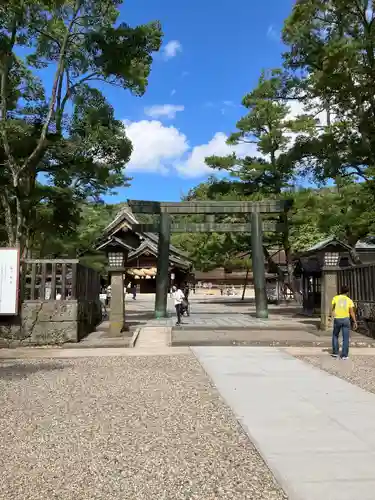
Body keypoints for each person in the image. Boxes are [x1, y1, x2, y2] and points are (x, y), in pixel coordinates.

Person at [331, 285, 357, 359]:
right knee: (345, 337)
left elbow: (333, 309)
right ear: (347, 292)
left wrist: (331, 318)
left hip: (337, 319)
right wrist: (355, 321)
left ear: (340, 291)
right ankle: (344, 355)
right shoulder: (349, 300)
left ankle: (335, 352)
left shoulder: (335, 298)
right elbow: (351, 312)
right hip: (346, 319)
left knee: (335, 335)